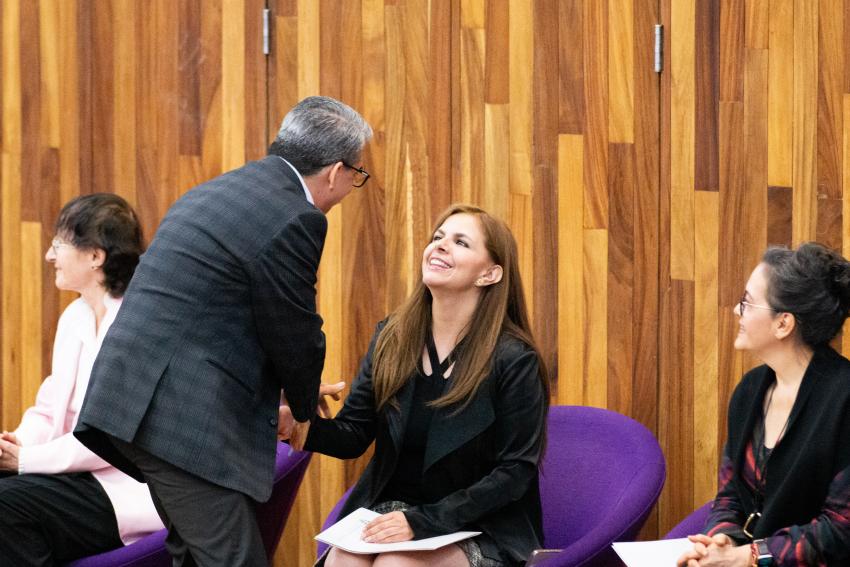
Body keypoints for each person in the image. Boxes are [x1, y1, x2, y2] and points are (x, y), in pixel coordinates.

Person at [73, 96, 373, 566]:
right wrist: (302, 403)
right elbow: (293, 325)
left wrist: (301, 393)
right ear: (336, 171)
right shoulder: (298, 215)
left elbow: (231, 314)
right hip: (177, 420)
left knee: (194, 556)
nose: (351, 186)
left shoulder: (218, 190)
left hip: (139, 402)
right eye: (357, 175)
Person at [282, 204, 549, 567]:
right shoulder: (392, 337)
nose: (440, 246)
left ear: (489, 273)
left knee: (398, 564)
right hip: (393, 512)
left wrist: (422, 522)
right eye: (437, 237)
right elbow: (354, 435)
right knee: (343, 560)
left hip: (480, 524)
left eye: (460, 242)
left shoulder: (514, 359)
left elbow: (514, 473)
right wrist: (299, 427)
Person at [0, 193, 163, 565]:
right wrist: (16, 444)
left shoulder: (134, 326)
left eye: (59, 244)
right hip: (71, 471)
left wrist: (25, 461)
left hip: (124, 486)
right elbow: (49, 407)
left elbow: (106, 437)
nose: (49, 256)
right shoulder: (74, 316)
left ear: (95, 256)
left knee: (6, 507)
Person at [677, 242, 850, 567]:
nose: (736, 311)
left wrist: (751, 556)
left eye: (747, 303)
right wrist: (721, 540)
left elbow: (841, 530)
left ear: (783, 323)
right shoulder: (749, 391)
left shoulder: (844, 399)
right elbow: (730, 496)